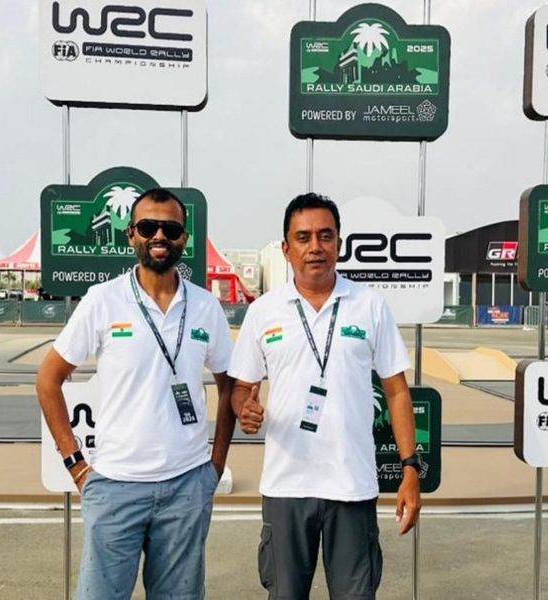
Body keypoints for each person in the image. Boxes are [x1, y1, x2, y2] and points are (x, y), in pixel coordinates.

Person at [37, 188, 235, 600]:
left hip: (187, 485)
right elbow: (48, 379)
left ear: (184, 238)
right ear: (131, 235)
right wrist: (76, 465)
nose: (159, 235)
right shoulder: (104, 300)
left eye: (171, 229)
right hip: (115, 486)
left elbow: (228, 384)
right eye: (148, 227)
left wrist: (214, 466)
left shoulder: (205, 306)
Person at [228, 193, 421, 600]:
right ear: (286, 249)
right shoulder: (264, 311)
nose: (315, 246)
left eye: (325, 236)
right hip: (285, 487)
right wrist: (244, 408)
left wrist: (410, 469)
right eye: (303, 237)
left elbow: (397, 391)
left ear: (339, 243)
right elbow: (242, 388)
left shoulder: (370, 306)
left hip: (351, 486)